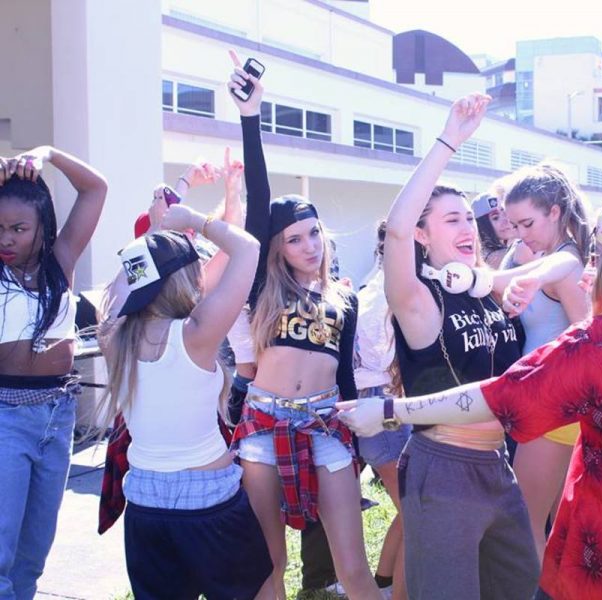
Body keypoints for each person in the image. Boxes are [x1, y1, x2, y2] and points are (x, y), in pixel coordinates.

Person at [340, 196, 602, 600]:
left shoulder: (597, 345)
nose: (589, 270)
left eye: (598, 258)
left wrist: (391, 410)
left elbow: (500, 397)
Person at [382, 93, 583, 599]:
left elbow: (568, 265)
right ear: (424, 237)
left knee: (517, 588)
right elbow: (398, 226)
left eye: (467, 218)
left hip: (500, 466)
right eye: (451, 220)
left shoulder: (489, 285)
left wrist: (524, 278)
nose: (468, 227)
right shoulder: (418, 298)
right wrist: (450, 140)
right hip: (444, 467)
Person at [226, 51, 380, 600]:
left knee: (352, 566)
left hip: (324, 426)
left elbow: (344, 379)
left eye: (313, 233)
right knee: (271, 567)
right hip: (264, 424)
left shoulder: (346, 295)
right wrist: (252, 117)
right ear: (276, 248)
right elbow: (257, 204)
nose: (309, 245)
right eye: (294, 238)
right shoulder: (261, 289)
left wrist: (360, 433)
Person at [97, 203, 272, 598]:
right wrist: (193, 220)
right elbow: (247, 248)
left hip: (144, 502)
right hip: (209, 501)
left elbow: (124, 282)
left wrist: (158, 231)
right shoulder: (196, 334)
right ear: (187, 281)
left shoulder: (115, 336)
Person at [0, 147, 107, 598]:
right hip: (6, 417)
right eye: (0, 228)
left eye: (19, 229)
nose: (7, 239)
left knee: (33, 552)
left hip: (57, 418)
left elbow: (95, 188)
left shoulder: (60, 262)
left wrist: (47, 154)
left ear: (43, 227)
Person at [501, 162, 590, 562]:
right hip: (551, 405)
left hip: (553, 407)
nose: (520, 235)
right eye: (514, 225)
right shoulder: (555, 259)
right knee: (553, 528)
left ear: (555, 212)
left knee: (525, 525)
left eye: (526, 223)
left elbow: (590, 339)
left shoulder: (563, 266)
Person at [354, 220, 409, 600]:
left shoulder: (376, 287)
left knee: (410, 514)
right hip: (384, 408)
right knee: (417, 514)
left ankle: (386, 583)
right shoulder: (389, 292)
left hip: (379, 405)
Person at [473, 191, 515, 269]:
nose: (506, 220)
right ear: (483, 226)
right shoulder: (494, 257)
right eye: (495, 218)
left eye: (505, 213)